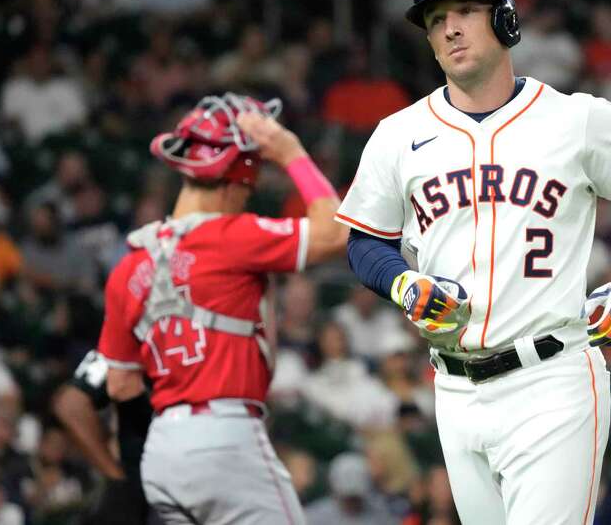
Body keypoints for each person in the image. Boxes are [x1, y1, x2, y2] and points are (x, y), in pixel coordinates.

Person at [335, 0, 611, 523]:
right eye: (435, 20)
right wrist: (402, 283)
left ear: (504, 20)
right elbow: (366, 239)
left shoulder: (576, 118)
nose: (450, 28)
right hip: (454, 389)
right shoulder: (398, 135)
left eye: (464, 11)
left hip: (551, 377)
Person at [99, 93, 347, 524]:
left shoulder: (130, 262)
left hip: (161, 451)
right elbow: (337, 231)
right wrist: (290, 153)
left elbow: (120, 384)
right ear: (239, 179)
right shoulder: (233, 237)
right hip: (224, 438)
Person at [52, 349, 153, 524]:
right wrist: (117, 477)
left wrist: (117, 478)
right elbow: (70, 404)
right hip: (148, 488)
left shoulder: (137, 335)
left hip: (148, 486)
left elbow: (70, 405)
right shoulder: (134, 337)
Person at [304, 452, 396, 525]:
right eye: (347, 499)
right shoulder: (314, 517)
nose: (352, 503)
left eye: (355, 498)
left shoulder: (382, 514)